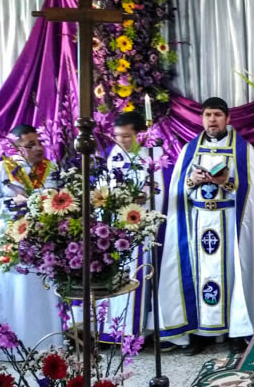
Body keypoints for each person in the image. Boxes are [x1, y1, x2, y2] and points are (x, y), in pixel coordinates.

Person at [159, 97, 254, 355]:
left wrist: (225, 182)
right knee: (199, 276)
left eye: (217, 115)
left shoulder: (242, 149)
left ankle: (235, 331)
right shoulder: (190, 150)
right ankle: (200, 333)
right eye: (208, 115)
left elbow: (253, 190)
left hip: (229, 225)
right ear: (202, 118)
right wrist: (191, 181)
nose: (212, 120)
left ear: (227, 118)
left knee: (233, 276)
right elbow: (177, 189)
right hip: (197, 224)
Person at [0, 124, 62, 359]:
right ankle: (10, 350)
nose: (38, 148)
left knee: (43, 294)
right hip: (11, 243)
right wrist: (14, 205)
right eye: (30, 145)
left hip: (44, 242)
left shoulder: (51, 169)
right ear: (15, 149)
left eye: (39, 142)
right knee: (14, 293)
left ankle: (49, 345)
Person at [98, 111, 165, 343]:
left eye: (126, 136)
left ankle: (137, 331)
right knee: (115, 275)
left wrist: (143, 196)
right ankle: (112, 331)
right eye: (117, 136)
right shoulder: (112, 155)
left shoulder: (153, 155)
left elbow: (160, 191)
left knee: (139, 274)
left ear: (140, 135)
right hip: (116, 226)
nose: (121, 141)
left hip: (142, 226)